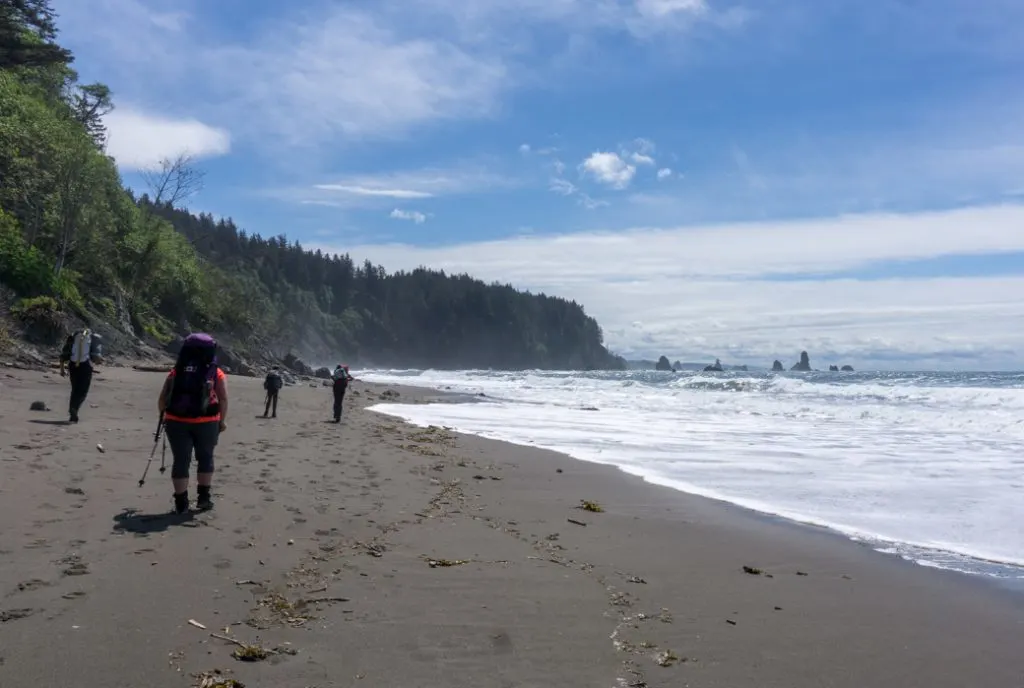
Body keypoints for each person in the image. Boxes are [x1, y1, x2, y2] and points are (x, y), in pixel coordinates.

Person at [157, 333, 228, 514]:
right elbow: (223, 399)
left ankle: (181, 503)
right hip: (207, 421)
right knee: (205, 458)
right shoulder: (215, 373)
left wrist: (163, 416)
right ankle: (203, 499)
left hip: (176, 421)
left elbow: (163, 399)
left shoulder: (177, 371)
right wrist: (222, 421)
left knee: (181, 460)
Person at [59, 325, 104, 423]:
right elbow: (97, 357)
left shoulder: (73, 337)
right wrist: (99, 360)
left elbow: (63, 355)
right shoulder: (92, 337)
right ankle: (75, 408)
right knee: (83, 391)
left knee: (75, 389)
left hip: (72, 365)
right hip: (85, 366)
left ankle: (72, 412)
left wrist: (62, 370)